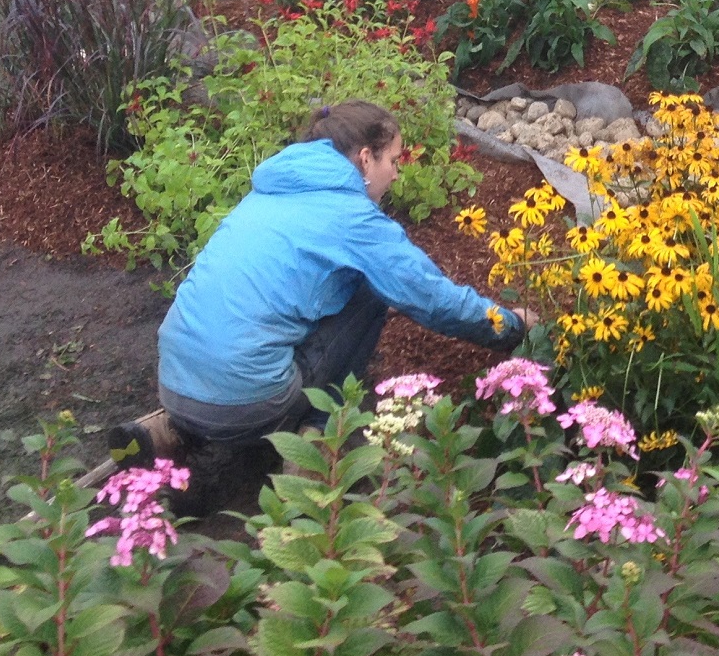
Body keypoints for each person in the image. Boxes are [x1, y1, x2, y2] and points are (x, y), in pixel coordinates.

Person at [110, 99, 533, 511]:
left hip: (175, 378)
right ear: (365, 159)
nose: (397, 174)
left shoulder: (271, 192)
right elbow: (434, 300)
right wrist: (511, 325)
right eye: (394, 160)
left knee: (258, 336)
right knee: (370, 292)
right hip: (247, 402)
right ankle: (312, 442)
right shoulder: (352, 218)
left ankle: (174, 432)